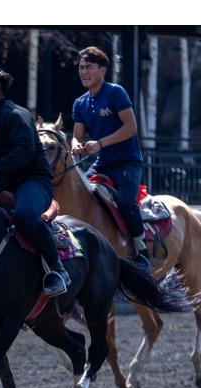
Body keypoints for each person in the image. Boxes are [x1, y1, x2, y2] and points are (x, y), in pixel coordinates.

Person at [0, 65, 70, 297]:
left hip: (34, 182)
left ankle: (58, 270)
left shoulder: (15, 114)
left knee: (24, 215)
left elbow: (24, 150)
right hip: (4, 186)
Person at [70, 47, 151, 269]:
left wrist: (100, 144)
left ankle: (142, 252)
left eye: (89, 67)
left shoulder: (116, 92)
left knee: (126, 202)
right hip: (102, 164)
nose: (84, 72)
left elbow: (132, 128)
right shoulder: (80, 103)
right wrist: (77, 146)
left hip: (128, 162)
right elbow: (76, 137)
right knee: (80, 195)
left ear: (103, 70)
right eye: (81, 67)